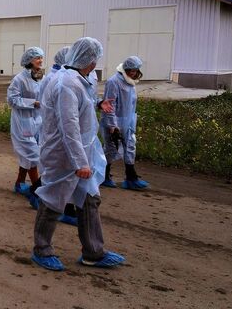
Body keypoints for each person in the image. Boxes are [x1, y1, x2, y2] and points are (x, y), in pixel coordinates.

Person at [31, 37, 125, 272]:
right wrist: (79, 162)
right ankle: (41, 249)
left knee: (90, 199)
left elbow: (81, 111)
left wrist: (97, 104)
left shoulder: (77, 80)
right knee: (54, 200)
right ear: (91, 61)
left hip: (81, 152)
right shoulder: (66, 84)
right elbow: (68, 126)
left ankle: (93, 252)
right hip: (64, 155)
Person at [27, 46, 79, 227]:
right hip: (53, 130)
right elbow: (45, 106)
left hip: (60, 129)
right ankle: (39, 195)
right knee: (58, 170)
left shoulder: (69, 78)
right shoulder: (55, 79)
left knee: (65, 171)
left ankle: (40, 194)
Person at [100, 56, 149, 190]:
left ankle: (131, 177)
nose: (133, 73)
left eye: (135, 70)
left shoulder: (130, 82)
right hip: (115, 120)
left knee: (130, 147)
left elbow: (131, 104)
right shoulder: (113, 81)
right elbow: (110, 104)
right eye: (131, 70)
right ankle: (103, 176)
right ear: (126, 69)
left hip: (128, 120)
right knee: (111, 149)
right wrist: (112, 125)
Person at [7, 47, 44, 196]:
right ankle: (37, 190)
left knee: (29, 154)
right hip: (22, 122)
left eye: (41, 58)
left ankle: (19, 182)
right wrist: (32, 103)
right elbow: (12, 100)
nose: (40, 61)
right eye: (37, 58)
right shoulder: (19, 79)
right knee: (32, 155)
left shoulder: (39, 76)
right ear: (29, 60)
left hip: (37, 120)